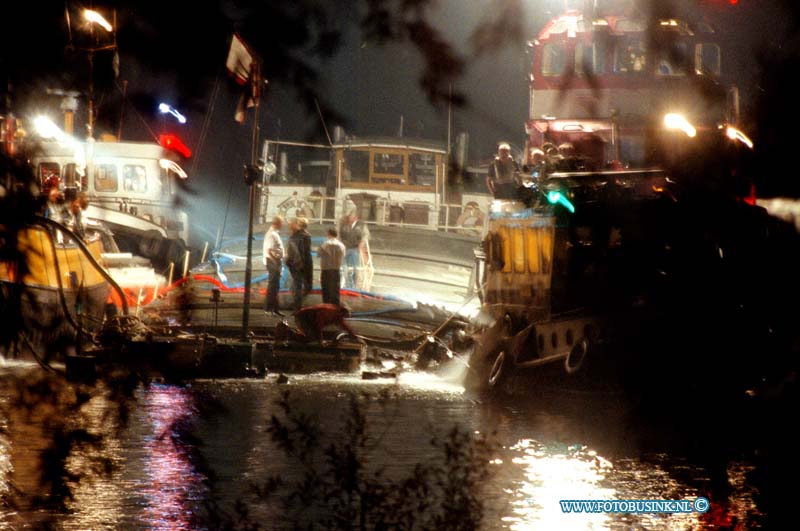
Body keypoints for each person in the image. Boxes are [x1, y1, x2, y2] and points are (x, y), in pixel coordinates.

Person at [284, 217, 312, 311]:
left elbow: (290, 250)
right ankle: (298, 306)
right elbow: (304, 252)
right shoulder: (306, 236)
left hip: (293, 263)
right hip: (302, 263)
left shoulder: (293, 236)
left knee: (296, 284)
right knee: (305, 286)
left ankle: (295, 303)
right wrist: (303, 264)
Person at [338, 209, 370, 289]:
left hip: (355, 248)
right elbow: (338, 234)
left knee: (355, 267)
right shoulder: (343, 224)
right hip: (345, 248)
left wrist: (362, 244)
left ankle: (354, 285)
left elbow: (365, 235)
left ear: (356, 218)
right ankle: (347, 284)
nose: (350, 219)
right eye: (349, 217)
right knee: (344, 267)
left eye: (352, 217)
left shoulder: (361, 225)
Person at [262, 215, 285, 316]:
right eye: (282, 223)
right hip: (273, 262)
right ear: (278, 223)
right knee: (273, 286)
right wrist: (275, 262)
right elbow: (269, 250)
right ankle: (269, 309)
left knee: (275, 286)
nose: (283, 225)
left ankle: (274, 309)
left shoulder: (274, 234)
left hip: (274, 262)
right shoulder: (272, 234)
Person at [317, 226, 346, 306]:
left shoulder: (324, 244)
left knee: (326, 291)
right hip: (336, 270)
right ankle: (335, 308)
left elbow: (319, 254)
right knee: (335, 291)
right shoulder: (341, 245)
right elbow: (343, 255)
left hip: (326, 270)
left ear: (328, 234)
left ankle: (326, 307)